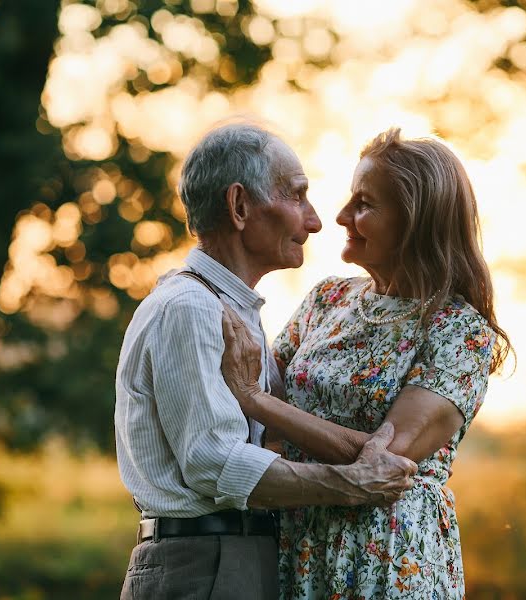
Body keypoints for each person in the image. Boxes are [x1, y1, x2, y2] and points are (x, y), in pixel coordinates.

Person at [114, 123, 418, 600]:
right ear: (240, 207)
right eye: (297, 196)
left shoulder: (232, 310)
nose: (315, 221)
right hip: (206, 565)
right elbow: (213, 463)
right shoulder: (192, 307)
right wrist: (351, 484)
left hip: (229, 558)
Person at [220, 128, 513, 599]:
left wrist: (254, 400)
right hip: (297, 542)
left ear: (415, 221)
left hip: (388, 555)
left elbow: (386, 461)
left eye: (364, 204)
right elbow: (259, 425)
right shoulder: (326, 299)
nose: (339, 216)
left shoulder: (460, 333)